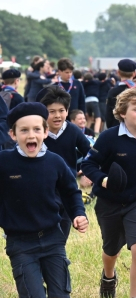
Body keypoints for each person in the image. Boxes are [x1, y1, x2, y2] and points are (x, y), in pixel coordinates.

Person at [1, 102, 88, 298]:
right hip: (20, 241)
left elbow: (71, 193)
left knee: (61, 296)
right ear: (13, 135)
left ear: (45, 132)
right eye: (24, 130)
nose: (31, 135)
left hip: (53, 238)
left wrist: (79, 214)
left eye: (36, 129)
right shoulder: (4, 162)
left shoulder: (55, 162)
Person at [81, 87, 136, 298]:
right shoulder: (108, 137)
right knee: (111, 249)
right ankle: (108, 276)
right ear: (122, 112)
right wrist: (103, 180)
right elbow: (88, 165)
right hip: (109, 202)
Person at [40, 86, 92, 238]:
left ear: (67, 111)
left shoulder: (73, 130)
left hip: (66, 187)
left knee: (62, 233)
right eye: (52, 111)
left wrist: (87, 171)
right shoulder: (37, 133)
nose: (57, 116)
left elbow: (91, 154)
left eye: (61, 111)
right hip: (44, 187)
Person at [105, 59, 136, 129]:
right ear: (134, 73)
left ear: (118, 73)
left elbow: (109, 115)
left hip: (117, 130)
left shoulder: (113, 92)